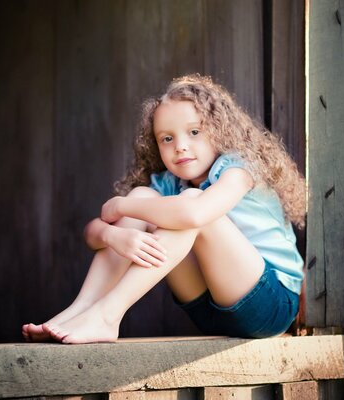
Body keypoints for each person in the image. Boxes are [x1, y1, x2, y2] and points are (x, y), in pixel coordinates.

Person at [22, 74, 306, 344]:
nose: (180, 146)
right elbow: (92, 233)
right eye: (167, 138)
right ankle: (80, 309)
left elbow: (195, 214)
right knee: (145, 195)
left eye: (194, 132)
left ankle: (108, 315)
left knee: (188, 205)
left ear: (220, 131)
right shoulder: (170, 184)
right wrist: (116, 237)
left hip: (270, 307)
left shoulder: (240, 170)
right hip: (208, 312)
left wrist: (122, 204)